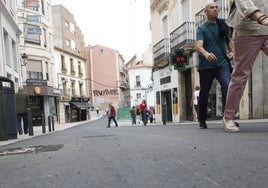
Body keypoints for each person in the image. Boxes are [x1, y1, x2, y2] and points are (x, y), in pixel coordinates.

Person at [223, 0, 268, 132]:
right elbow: (243, 2)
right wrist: (260, 17)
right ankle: (228, 117)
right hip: (248, 30)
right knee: (241, 75)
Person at [195, 2, 235, 129]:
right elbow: (198, 46)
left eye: (216, 7)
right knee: (204, 93)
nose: (215, 9)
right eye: (212, 8)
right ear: (206, 11)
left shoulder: (223, 25)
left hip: (222, 63)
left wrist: (232, 52)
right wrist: (206, 54)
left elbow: (229, 42)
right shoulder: (202, 29)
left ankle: (226, 117)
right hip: (206, 66)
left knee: (227, 87)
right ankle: (202, 119)